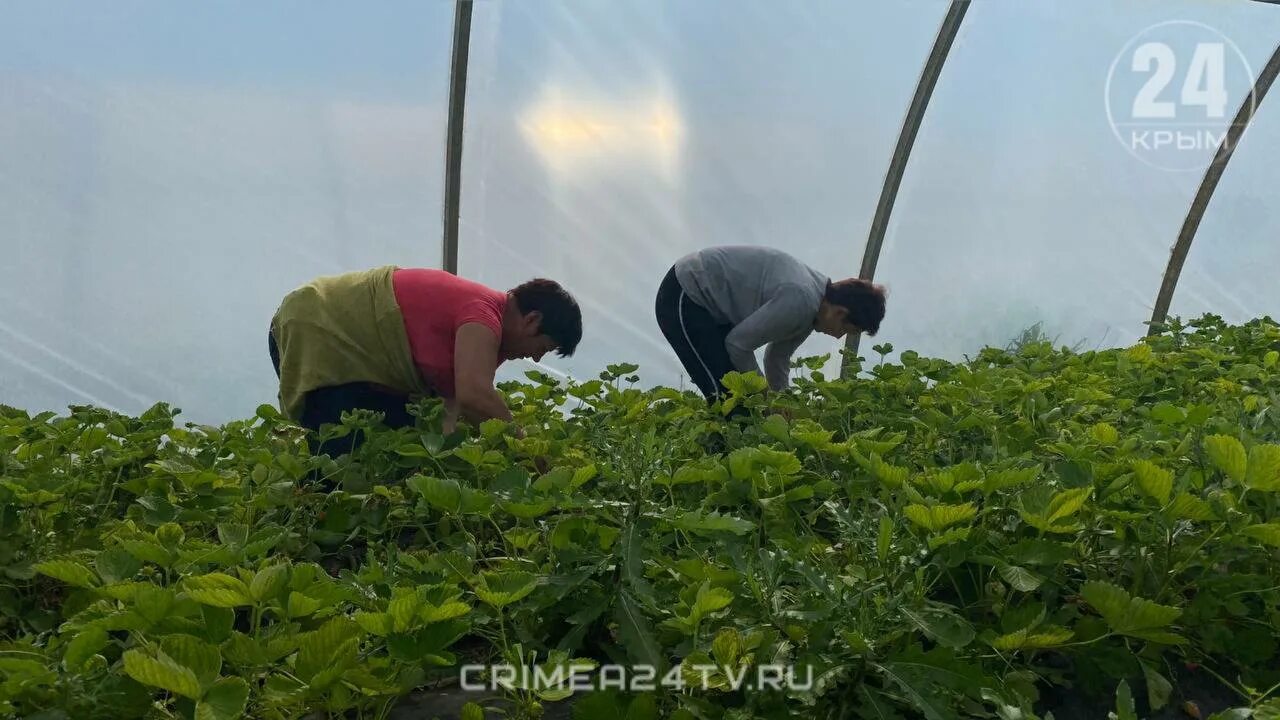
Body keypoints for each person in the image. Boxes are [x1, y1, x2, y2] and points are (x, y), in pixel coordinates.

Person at [268, 265, 581, 452]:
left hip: (337, 345)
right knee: (337, 453)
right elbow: (474, 397)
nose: (537, 357)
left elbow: (448, 415)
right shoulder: (484, 316)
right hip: (319, 327)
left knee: (391, 436)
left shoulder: (486, 342)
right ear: (532, 321)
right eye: (544, 346)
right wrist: (529, 455)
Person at [654, 245, 885, 401]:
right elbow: (738, 344)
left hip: (714, 310)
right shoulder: (801, 300)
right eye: (846, 330)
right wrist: (764, 396)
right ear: (839, 313)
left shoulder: (813, 308)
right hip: (686, 292)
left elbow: (777, 357)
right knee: (725, 398)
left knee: (737, 397)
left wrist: (782, 403)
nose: (838, 337)